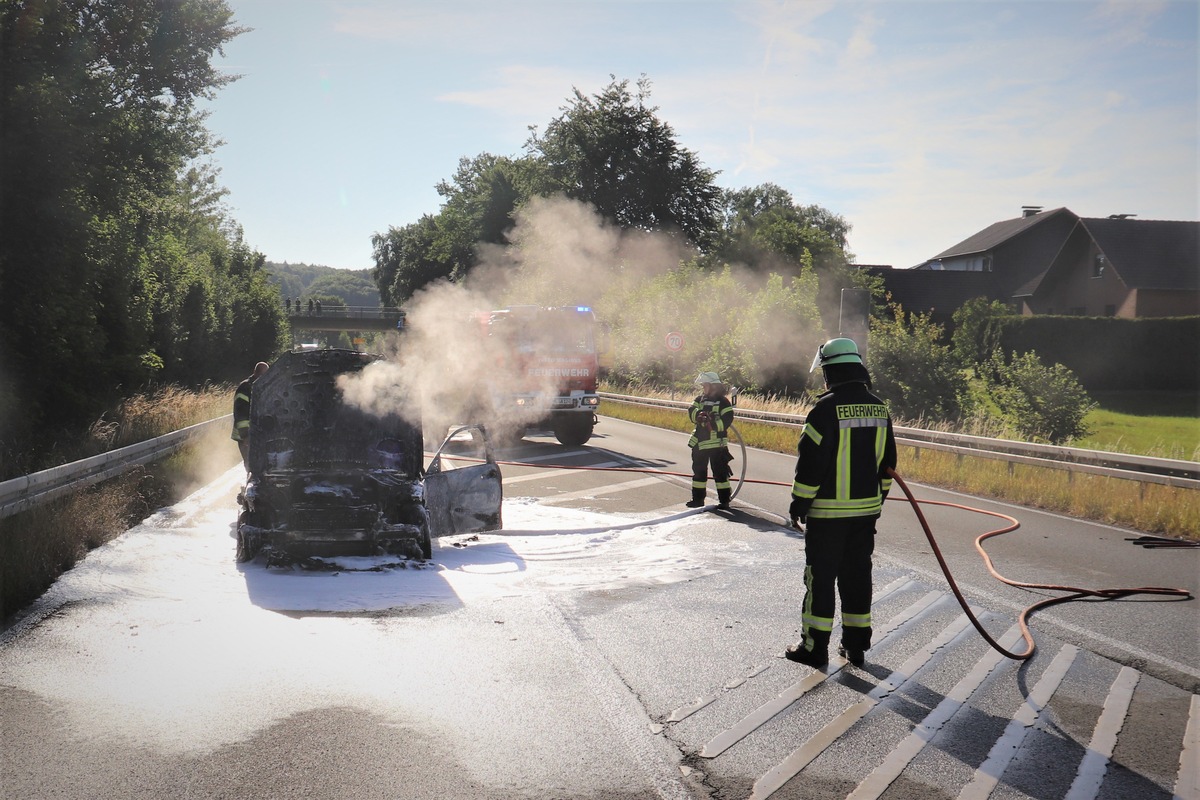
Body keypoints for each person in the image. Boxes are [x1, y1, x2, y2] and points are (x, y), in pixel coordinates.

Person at [786, 338, 897, 668]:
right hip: (865, 515)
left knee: (820, 580)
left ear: (831, 373)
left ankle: (814, 648)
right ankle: (856, 646)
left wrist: (798, 505)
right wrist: (876, 501)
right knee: (857, 578)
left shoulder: (823, 410)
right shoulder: (879, 408)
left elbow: (811, 465)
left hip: (827, 516)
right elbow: (888, 462)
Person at [686, 371, 735, 509]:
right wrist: (699, 416)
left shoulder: (723, 402)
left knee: (720, 474)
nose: (703, 388)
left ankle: (724, 501)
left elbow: (727, 420)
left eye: (705, 385)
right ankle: (697, 500)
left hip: (717, 446)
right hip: (700, 444)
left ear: (713, 386)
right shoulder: (699, 399)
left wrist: (712, 423)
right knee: (699, 472)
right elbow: (691, 410)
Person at [232, 361, 270, 471]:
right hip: (245, 436)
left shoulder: (262, 387)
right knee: (251, 466)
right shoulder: (245, 388)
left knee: (259, 466)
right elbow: (241, 414)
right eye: (263, 375)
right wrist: (245, 436)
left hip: (257, 436)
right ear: (255, 373)